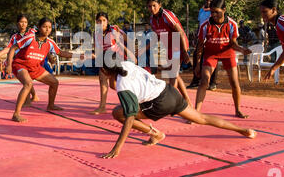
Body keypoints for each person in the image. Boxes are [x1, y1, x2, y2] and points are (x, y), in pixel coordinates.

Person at [100, 57, 256, 159]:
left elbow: (130, 117)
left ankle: (156, 134)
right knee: (202, 118)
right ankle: (243, 130)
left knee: (118, 113)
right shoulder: (126, 65)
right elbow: (116, 83)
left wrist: (117, 147)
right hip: (170, 92)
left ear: (105, 72)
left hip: (160, 103)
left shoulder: (123, 86)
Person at [6, 17, 84, 123]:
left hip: (35, 68)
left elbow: (61, 53)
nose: (47, 29)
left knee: (54, 82)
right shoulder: (30, 38)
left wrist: (80, 55)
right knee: (28, 84)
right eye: (44, 27)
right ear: (39, 27)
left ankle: (51, 105)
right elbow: (13, 48)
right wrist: (9, 65)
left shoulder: (50, 42)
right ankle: (16, 114)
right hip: (21, 65)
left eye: (49, 27)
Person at [195, 0, 252, 119]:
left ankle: (237, 110)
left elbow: (233, 43)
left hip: (227, 53)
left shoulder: (232, 24)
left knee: (234, 82)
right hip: (211, 54)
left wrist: (242, 50)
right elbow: (200, 45)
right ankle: (196, 112)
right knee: (204, 80)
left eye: (216, 12)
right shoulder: (205, 25)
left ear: (224, 10)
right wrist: (197, 64)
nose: (214, 15)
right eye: (212, 12)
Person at [147, 0, 193, 108]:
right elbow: (157, 37)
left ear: (160, 5)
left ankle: (172, 102)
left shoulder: (167, 15)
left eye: (154, 5)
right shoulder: (152, 19)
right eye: (149, 6)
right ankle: (187, 102)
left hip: (179, 44)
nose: (152, 8)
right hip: (169, 47)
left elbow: (181, 32)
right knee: (175, 75)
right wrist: (144, 48)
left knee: (172, 74)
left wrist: (185, 51)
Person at [91, 12, 136, 115]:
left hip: (117, 58)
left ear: (107, 22)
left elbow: (129, 40)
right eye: (99, 21)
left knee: (104, 79)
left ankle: (103, 107)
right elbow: (98, 50)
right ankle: (132, 98)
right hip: (106, 59)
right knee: (112, 84)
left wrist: (128, 51)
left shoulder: (114, 29)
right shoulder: (96, 34)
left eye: (104, 20)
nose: (101, 23)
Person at [0, 14, 40, 103]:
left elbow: (42, 39)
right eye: (21, 22)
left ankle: (31, 98)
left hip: (32, 59)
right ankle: (32, 97)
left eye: (25, 22)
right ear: (17, 23)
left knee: (27, 80)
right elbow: (9, 48)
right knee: (27, 80)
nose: (23, 24)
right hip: (20, 61)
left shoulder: (32, 32)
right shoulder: (15, 37)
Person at [188, 0, 218, 90]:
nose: (208, 1)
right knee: (197, 56)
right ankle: (196, 80)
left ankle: (213, 83)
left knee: (213, 58)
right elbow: (199, 23)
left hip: (211, 36)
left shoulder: (215, 11)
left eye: (210, 0)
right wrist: (197, 36)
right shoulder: (201, 10)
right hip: (201, 36)